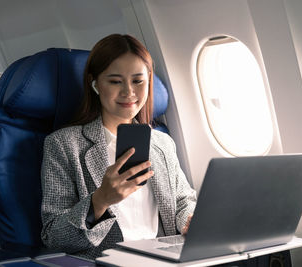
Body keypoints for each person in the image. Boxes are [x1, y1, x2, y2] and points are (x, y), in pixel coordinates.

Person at [40, 34, 197, 260]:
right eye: (115, 81)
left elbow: (183, 201)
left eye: (138, 80)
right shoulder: (64, 145)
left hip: (165, 259)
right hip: (109, 261)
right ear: (95, 84)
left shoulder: (162, 143)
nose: (128, 92)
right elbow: (53, 236)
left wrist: (190, 221)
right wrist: (100, 200)